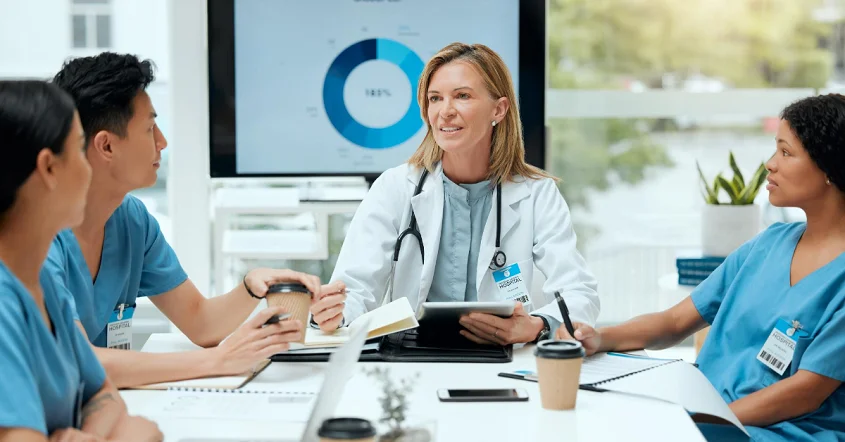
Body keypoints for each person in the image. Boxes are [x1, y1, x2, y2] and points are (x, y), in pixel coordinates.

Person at [46, 52, 347, 388]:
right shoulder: (35, 234)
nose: (162, 142)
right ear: (106, 146)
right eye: (149, 128)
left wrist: (251, 287)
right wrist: (217, 361)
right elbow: (77, 360)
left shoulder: (132, 221)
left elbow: (200, 323)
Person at [557, 94, 845, 441]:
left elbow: (807, 390)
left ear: (829, 168)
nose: (770, 164)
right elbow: (675, 322)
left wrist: (700, 421)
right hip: (706, 414)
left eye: (786, 152)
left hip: (778, 431)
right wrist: (600, 338)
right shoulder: (768, 244)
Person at [330, 42, 600, 345]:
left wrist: (538, 325)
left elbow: (579, 293)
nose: (445, 112)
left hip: (502, 359)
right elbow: (354, 290)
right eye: (435, 98)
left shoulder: (537, 194)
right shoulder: (395, 188)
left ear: (498, 109)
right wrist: (332, 312)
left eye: (462, 96)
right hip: (409, 361)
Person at [0, 80, 161, 441]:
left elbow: (104, 395)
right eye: (77, 149)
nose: (89, 168)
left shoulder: (41, 284)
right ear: (49, 169)